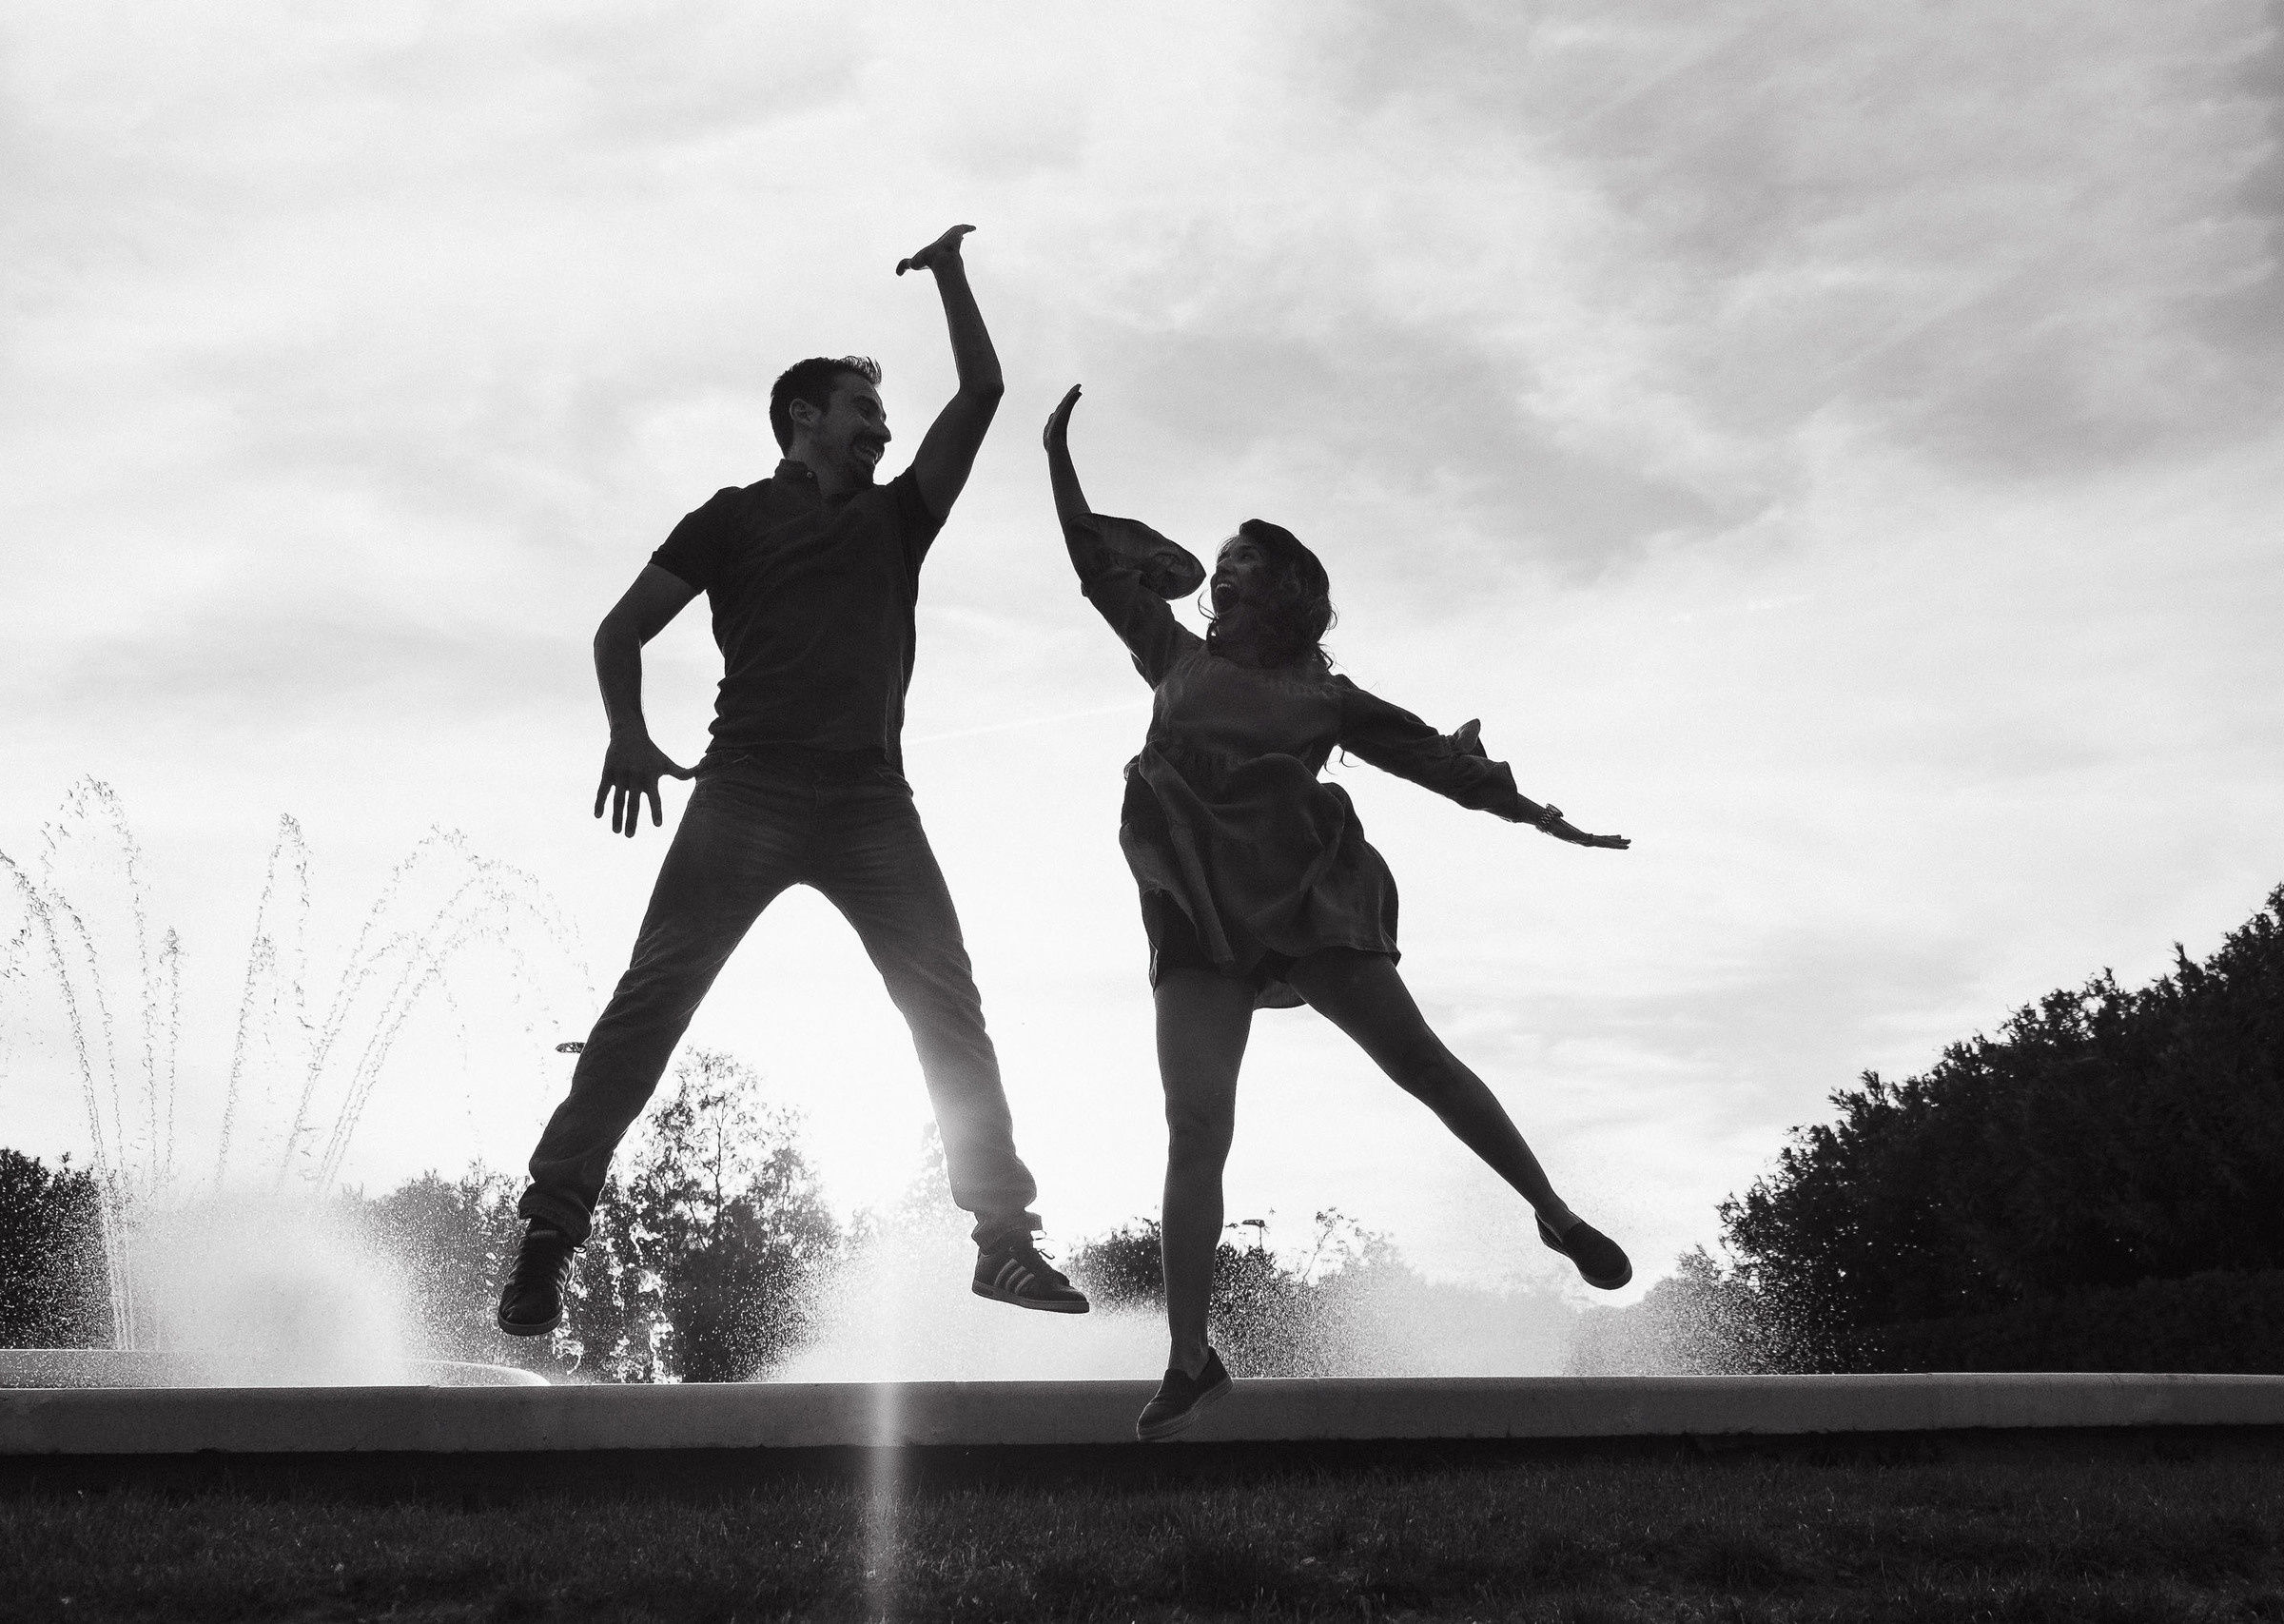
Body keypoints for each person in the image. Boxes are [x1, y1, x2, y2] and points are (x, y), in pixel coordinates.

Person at [496, 226, 1089, 1338]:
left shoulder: (897, 517)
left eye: (886, 418)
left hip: (870, 802)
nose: (883, 427)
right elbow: (619, 630)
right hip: (747, 795)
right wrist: (627, 731)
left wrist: (951, 274)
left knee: (944, 1003)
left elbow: (986, 387)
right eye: (865, 410)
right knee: (647, 1010)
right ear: (802, 419)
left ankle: (1003, 1241)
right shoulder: (729, 520)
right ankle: (546, 1236)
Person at [1041, 384, 1631, 1441]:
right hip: (1193, 908)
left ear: (1286, 593)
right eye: (1218, 563)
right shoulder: (1172, 657)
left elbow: (1446, 769)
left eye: (1241, 565)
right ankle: (1189, 1356)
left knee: (1422, 1065)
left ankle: (1552, 1210)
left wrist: (1549, 820)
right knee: (1193, 1127)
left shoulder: (1328, 696)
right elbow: (1092, 564)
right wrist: (1057, 455)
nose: (1219, 574)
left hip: (1306, 898)